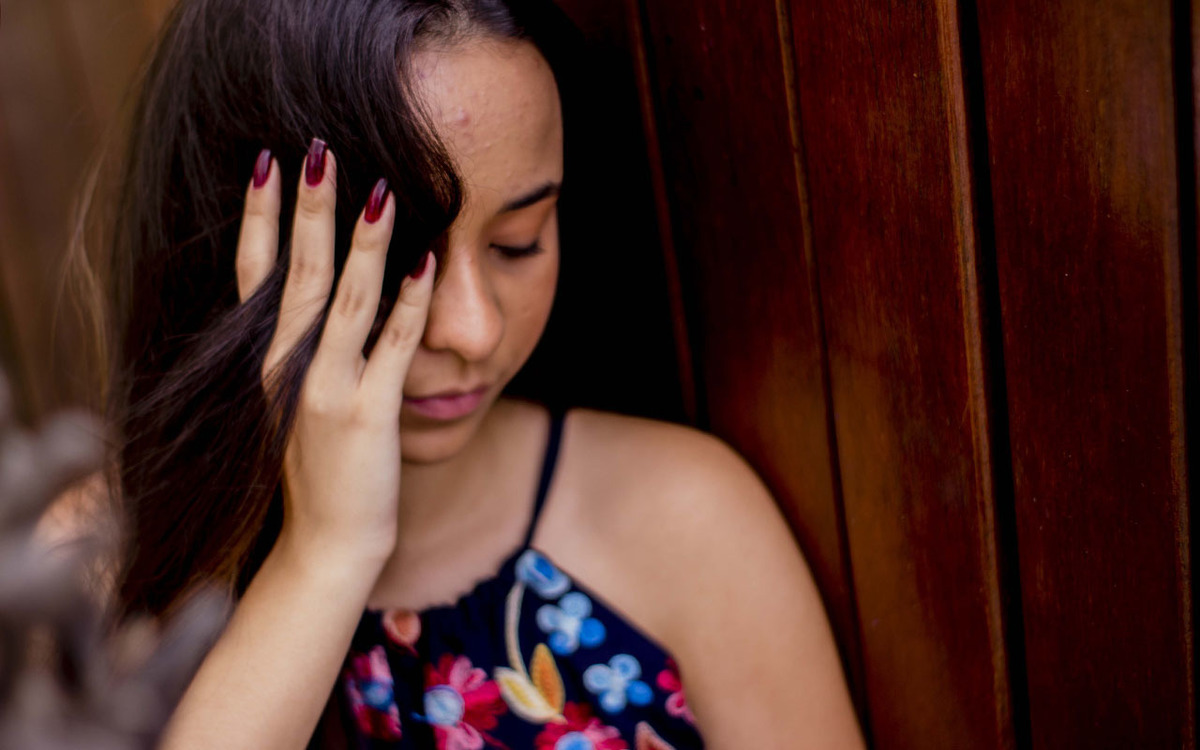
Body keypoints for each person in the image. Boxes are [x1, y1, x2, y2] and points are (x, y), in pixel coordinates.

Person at [74, 0, 864, 747]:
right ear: (238, 229)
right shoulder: (84, 568)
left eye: (518, 242)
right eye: (392, 259)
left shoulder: (683, 520)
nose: (472, 330)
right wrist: (324, 557)